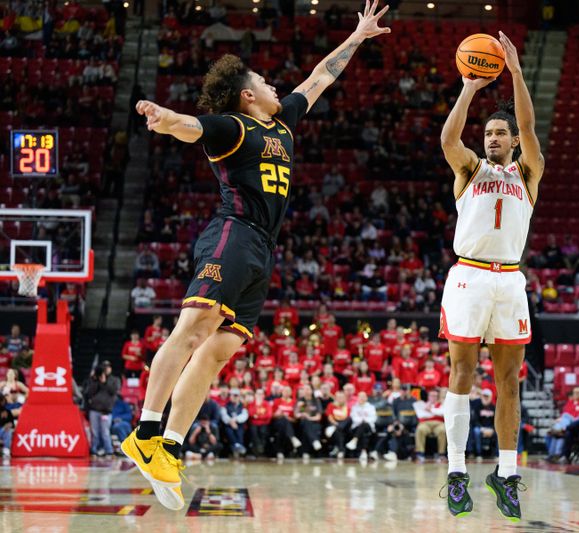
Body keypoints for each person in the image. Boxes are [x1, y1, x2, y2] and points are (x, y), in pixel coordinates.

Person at [121, 1, 391, 510]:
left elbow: (318, 79)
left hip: (262, 248)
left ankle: (172, 448)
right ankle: (146, 432)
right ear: (248, 94)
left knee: (219, 350)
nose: (275, 86)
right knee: (193, 330)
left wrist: (357, 36)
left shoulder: (283, 122)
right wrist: (163, 119)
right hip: (233, 234)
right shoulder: (232, 127)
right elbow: (189, 126)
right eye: (265, 81)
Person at [438, 30, 543, 520]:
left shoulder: (528, 173)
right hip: (469, 278)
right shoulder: (469, 170)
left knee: (510, 383)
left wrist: (517, 72)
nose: (493, 138)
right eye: (488, 134)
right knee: (462, 372)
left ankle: (506, 474)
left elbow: (527, 120)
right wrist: (468, 87)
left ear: (515, 141)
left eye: (500, 133)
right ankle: (457, 472)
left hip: (510, 282)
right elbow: (448, 139)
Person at [84, 361, 120, 457]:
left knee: (105, 432)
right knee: (95, 432)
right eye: (104, 367)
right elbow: (89, 393)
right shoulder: (95, 379)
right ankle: (94, 450)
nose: (106, 369)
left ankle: (109, 450)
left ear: (110, 368)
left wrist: (104, 382)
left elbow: (113, 391)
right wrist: (94, 380)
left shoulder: (114, 380)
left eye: (107, 367)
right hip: (94, 409)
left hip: (106, 410)